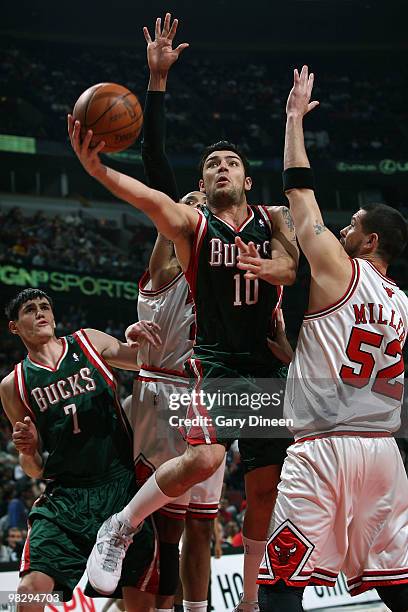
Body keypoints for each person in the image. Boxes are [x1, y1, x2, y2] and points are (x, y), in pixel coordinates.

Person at [67, 83, 299, 611]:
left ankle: (249, 600)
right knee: (203, 462)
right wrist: (100, 172)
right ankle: (121, 525)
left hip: (265, 369)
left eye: (232, 162)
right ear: (201, 181)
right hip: (207, 367)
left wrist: (273, 268)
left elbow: (293, 264)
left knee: (261, 491)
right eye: (213, 163)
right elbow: (150, 195)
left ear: (246, 177)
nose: (222, 168)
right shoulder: (191, 229)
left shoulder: (275, 217)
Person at [256, 66, 408, 612]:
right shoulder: (403, 305)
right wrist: (301, 358)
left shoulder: (340, 268)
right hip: (384, 455)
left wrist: (294, 119)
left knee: (279, 585)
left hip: (324, 450)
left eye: (354, 225)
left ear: (370, 240)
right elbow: (357, 361)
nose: (342, 228)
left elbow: (300, 195)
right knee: (398, 584)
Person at [123, 14, 225, 612]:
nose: (187, 209)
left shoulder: (230, 248)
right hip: (159, 393)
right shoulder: (166, 264)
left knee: (202, 526)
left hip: (216, 388)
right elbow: (156, 164)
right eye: (179, 206)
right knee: (157, 527)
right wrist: (156, 85)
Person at [0, 288, 162, 612]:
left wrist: (137, 338)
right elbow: (33, 467)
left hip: (121, 488)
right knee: (29, 593)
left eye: (45, 306)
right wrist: (29, 449)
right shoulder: (12, 384)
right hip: (66, 498)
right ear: (14, 327)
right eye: (30, 309)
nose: (40, 312)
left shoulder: (87, 341)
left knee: (140, 603)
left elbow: (144, 360)